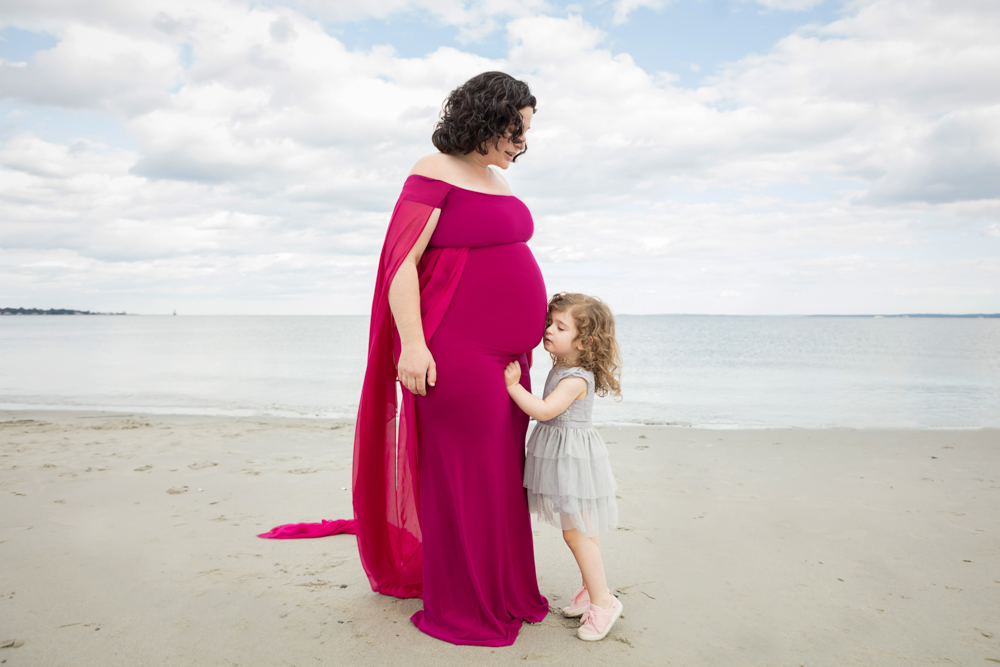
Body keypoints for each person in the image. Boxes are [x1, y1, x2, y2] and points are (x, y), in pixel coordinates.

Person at [352, 71, 549, 646]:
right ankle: (467, 602)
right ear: (488, 119)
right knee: (469, 473)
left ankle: (506, 589)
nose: (523, 144)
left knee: (499, 473)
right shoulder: (431, 171)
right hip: (456, 350)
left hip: (508, 356)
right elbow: (401, 265)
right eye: (518, 130)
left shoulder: (493, 178)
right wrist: (413, 345)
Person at [503, 292, 624, 642]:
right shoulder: (562, 365)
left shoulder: (575, 378)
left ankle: (604, 603)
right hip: (565, 456)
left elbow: (542, 411)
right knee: (585, 531)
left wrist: (512, 387)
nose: (549, 331)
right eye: (549, 323)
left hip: (572, 461)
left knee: (575, 532)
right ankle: (592, 591)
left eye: (560, 326)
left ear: (585, 341)